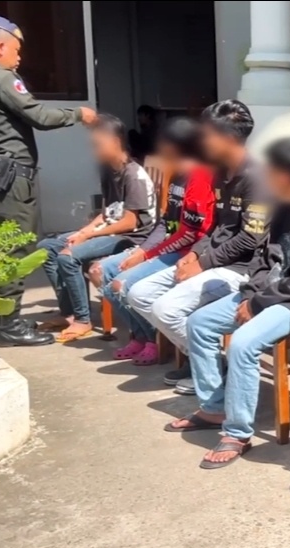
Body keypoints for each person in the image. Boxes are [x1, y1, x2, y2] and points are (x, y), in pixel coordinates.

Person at [172, 137, 290, 469]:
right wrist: (251, 294)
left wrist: (258, 304)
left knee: (243, 343)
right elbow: (263, 258)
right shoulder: (282, 206)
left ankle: (238, 433)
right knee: (199, 323)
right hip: (265, 295)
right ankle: (214, 408)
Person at [0, 15, 96, 346]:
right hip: (11, 177)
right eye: (16, 50)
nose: (19, 58)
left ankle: (5, 318)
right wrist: (79, 114)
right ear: (0, 47)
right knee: (17, 249)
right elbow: (39, 116)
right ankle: (11, 326)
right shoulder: (2, 79)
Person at [127, 100, 270, 393]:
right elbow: (215, 226)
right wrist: (193, 254)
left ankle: (211, 370)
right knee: (139, 294)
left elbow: (251, 239)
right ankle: (207, 360)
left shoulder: (257, 178)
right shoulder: (220, 174)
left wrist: (203, 263)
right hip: (213, 261)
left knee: (166, 309)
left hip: (243, 269)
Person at [88, 117, 216, 364]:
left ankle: (155, 340)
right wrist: (143, 251)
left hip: (188, 253)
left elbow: (190, 233)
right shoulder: (178, 177)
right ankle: (141, 336)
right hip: (170, 247)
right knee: (105, 275)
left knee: (121, 285)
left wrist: (147, 254)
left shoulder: (199, 178)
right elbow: (166, 223)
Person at [37, 114, 158, 343]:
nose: (93, 150)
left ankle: (83, 319)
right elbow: (108, 212)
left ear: (114, 142)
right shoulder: (109, 171)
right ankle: (69, 313)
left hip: (131, 238)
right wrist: (83, 232)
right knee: (47, 248)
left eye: (97, 144)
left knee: (67, 256)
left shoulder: (133, 175)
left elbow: (130, 222)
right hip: (111, 230)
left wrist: (90, 234)